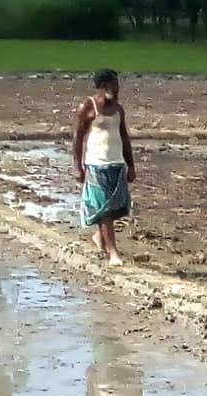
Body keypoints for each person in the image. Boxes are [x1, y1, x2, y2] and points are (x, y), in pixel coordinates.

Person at [73, 69, 136, 267]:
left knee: (118, 207)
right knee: (104, 210)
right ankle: (113, 252)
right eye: (113, 85)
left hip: (116, 164)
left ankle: (100, 237)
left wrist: (130, 164)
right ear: (103, 87)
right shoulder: (88, 107)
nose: (117, 89)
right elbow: (78, 137)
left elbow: (124, 137)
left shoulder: (118, 109)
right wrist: (79, 166)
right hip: (96, 164)